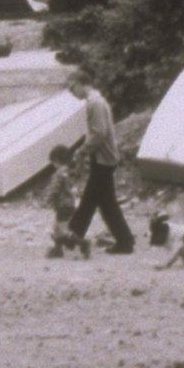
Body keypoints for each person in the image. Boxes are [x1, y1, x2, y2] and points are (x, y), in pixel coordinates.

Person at [65, 70, 136, 254]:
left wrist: (81, 151)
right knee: (106, 202)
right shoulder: (96, 101)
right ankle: (125, 240)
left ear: (82, 83)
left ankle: (73, 235)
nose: (72, 92)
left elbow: (99, 133)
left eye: (72, 87)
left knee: (90, 198)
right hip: (105, 158)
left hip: (104, 158)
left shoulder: (95, 103)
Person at [43, 143, 91, 259]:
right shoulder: (69, 172)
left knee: (62, 230)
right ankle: (58, 250)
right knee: (57, 228)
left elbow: (54, 188)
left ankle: (83, 243)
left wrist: (48, 199)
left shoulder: (59, 174)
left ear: (56, 160)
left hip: (62, 205)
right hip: (70, 204)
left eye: (53, 162)